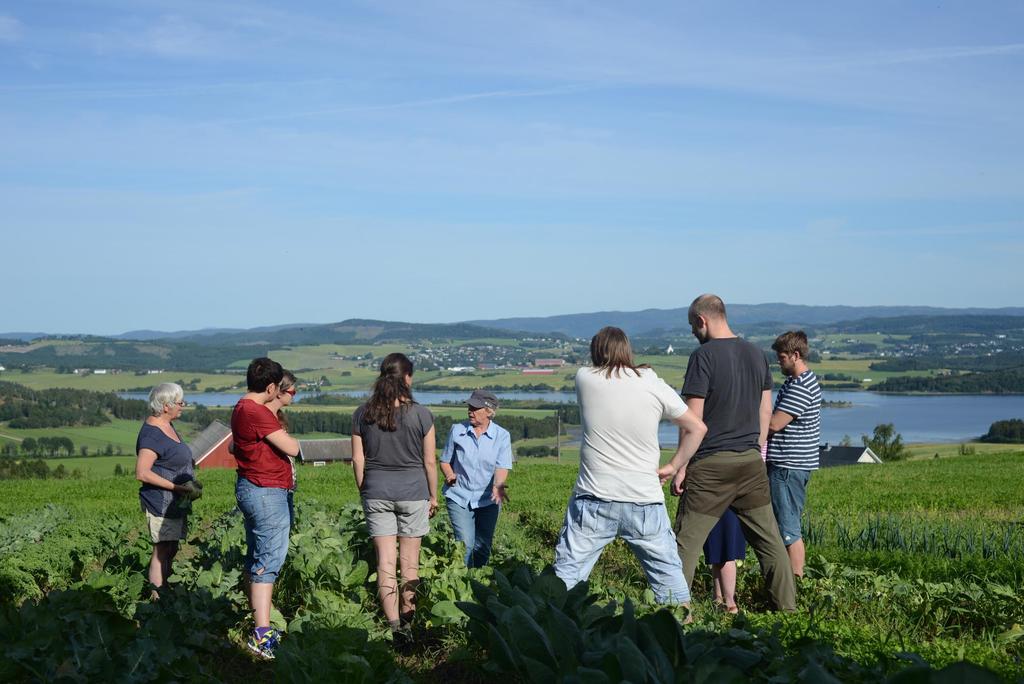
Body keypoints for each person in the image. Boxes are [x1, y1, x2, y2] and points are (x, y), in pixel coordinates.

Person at [553, 326, 707, 608]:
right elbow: (697, 428)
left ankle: (558, 640)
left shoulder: (584, 378)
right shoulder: (651, 382)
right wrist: (673, 465)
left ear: (596, 351)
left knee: (566, 580)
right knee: (670, 584)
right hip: (644, 498)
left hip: (594, 498)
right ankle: (683, 641)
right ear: (627, 350)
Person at [672, 294, 797, 611]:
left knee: (685, 544)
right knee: (769, 543)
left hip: (711, 465)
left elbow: (692, 418)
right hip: (750, 462)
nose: (692, 333)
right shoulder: (756, 354)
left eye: (692, 326)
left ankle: (675, 615)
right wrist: (755, 449)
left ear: (702, 320)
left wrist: (681, 465)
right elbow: (765, 411)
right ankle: (789, 611)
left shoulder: (704, 357)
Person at [351, 353, 437, 640]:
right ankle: (409, 624)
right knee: (410, 563)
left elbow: (357, 459)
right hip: (413, 492)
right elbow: (429, 462)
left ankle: (393, 626)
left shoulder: (362, 414)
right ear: (408, 379)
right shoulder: (422, 414)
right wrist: (433, 496)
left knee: (385, 563)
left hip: (376, 491)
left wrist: (365, 488)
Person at [232, 357, 302, 660]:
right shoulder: (255, 410)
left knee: (257, 556)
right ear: (271, 387)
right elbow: (292, 448)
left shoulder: (241, 407)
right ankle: (263, 636)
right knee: (268, 560)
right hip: (266, 490)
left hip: (255, 487)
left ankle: (258, 621)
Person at [135, 382, 202, 596]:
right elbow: (142, 472)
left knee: (170, 548)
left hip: (174, 501)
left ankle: (165, 591)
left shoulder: (166, 425)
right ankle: (157, 597)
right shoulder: (151, 435)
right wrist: (176, 487)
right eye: (180, 402)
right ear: (166, 406)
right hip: (160, 502)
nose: (183, 406)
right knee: (161, 549)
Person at [766, 330, 822, 578]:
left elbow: (774, 424)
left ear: (795, 355)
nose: (779, 362)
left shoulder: (801, 386)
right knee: (786, 526)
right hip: (789, 464)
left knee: (789, 530)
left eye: (782, 358)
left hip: (788, 466)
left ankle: (795, 580)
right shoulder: (796, 383)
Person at [440, 389, 512, 568]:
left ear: (489, 412)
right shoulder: (457, 431)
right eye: (469, 407)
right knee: (464, 543)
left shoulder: (502, 436)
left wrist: (498, 486)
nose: (470, 411)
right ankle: (459, 580)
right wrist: (449, 474)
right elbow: (444, 461)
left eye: (475, 408)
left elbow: (502, 466)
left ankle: (478, 581)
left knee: (482, 546)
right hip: (459, 496)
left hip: (488, 500)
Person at [703, 510, 745, 613]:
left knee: (725, 553)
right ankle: (718, 600)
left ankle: (730, 605)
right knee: (717, 554)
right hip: (721, 503)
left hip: (723, 503)